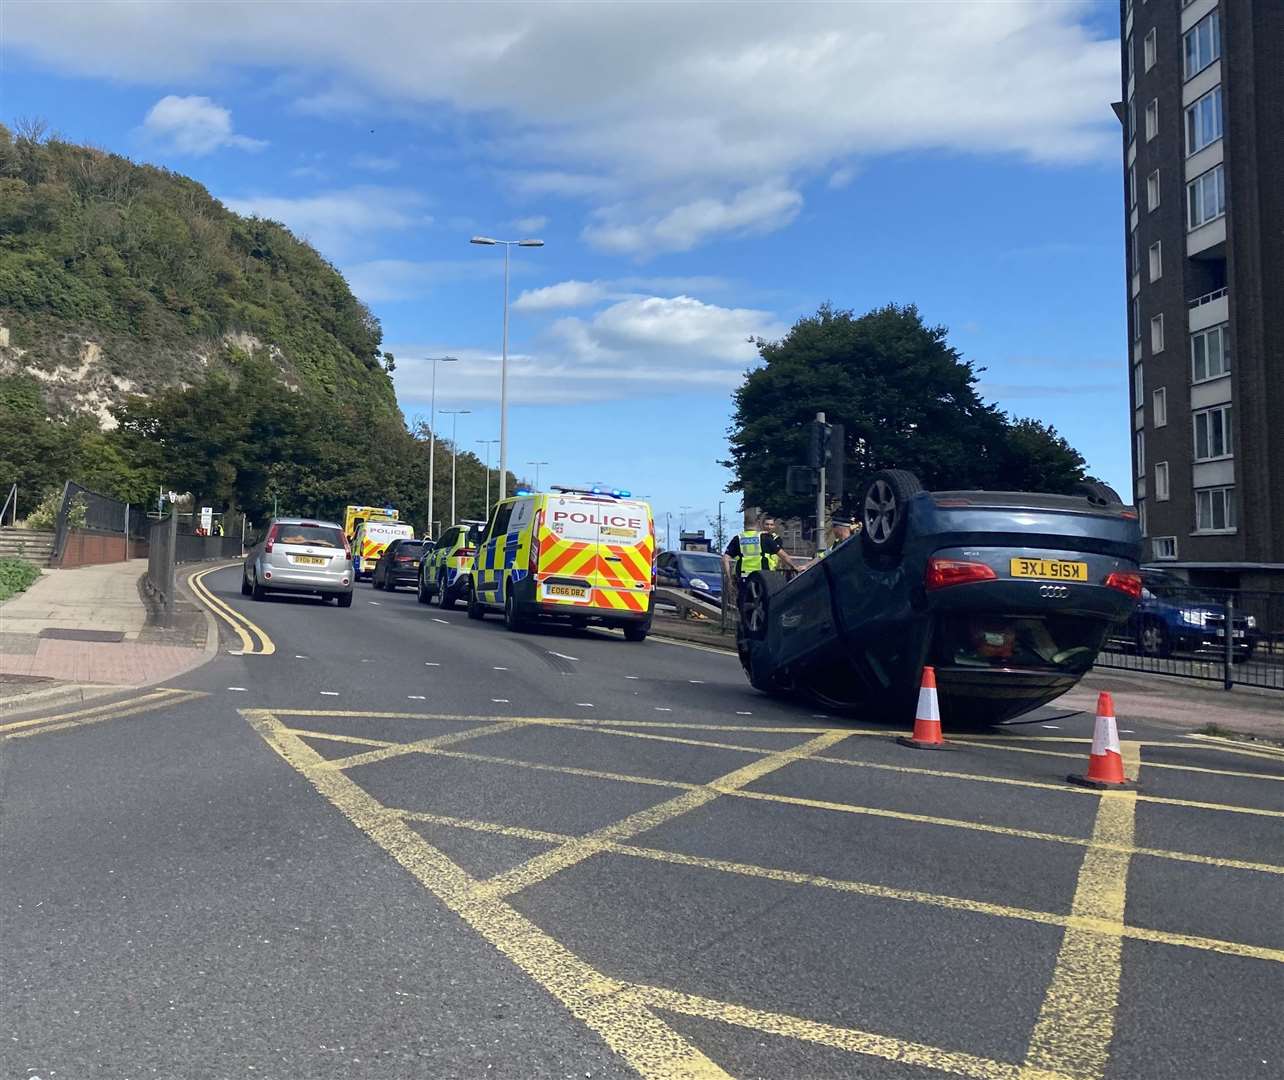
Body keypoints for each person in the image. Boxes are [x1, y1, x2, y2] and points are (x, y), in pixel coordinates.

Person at [723, 514, 797, 597]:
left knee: (744, 602)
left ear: (744, 525)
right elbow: (783, 555)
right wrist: (795, 566)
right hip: (763, 576)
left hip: (744, 577)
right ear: (758, 524)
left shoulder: (738, 538)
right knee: (764, 601)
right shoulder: (764, 538)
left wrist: (729, 578)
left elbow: (725, 558)